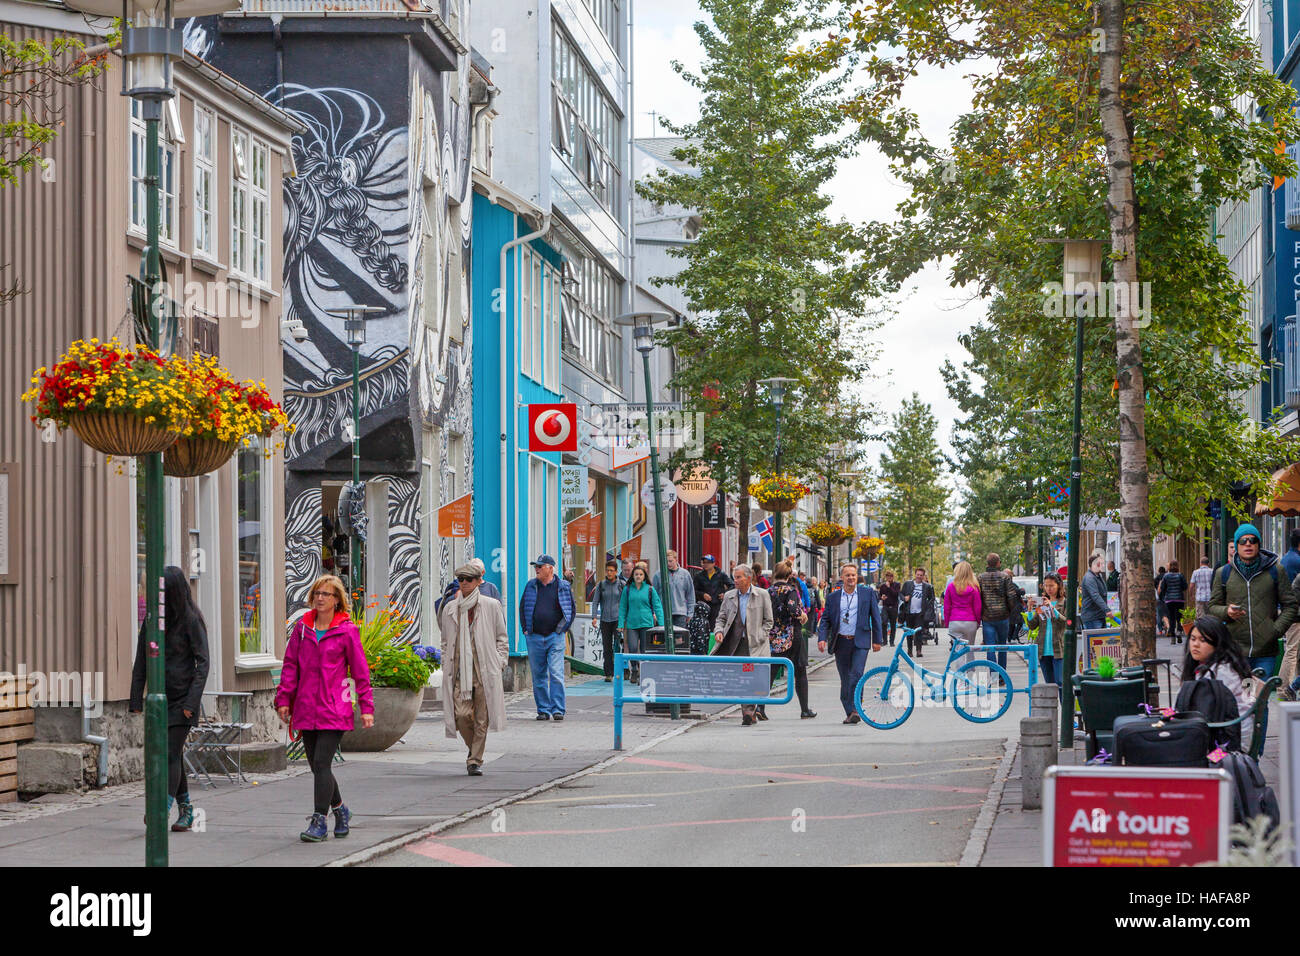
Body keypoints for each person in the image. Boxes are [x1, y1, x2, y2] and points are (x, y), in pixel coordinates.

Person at [276, 574, 374, 842]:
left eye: (326, 594)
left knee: (321, 762)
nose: (320, 598)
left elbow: (360, 671)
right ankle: (341, 810)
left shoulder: (347, 630)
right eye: (317, 593)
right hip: (306, 707)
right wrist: (284, 699)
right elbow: (291, 666)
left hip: (334, 708)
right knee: (318, 766)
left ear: (336, 600)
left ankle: (320, 821)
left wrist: (366, 707)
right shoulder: (302, 629)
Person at [129, 565, 210, 833]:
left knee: (169, 753)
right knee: (170, 754)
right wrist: (136, 699)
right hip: (158, 699)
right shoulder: (152, 620)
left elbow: (203, 663)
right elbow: (141, 660)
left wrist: (191, 703)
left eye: (162, 591)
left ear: (173, 592)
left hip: (182, 701)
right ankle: (186, 809)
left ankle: (159, 809)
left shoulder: (190, 620)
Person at [1209, 524, 1297, 741]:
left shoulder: (1276, 571)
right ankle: (1236, 748)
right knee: (1236, 702)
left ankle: (1254, 753)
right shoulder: (1224, 573)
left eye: (1253, 540)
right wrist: (1226, 612)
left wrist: (1275, 630)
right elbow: (1212, 607)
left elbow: (1291, 605)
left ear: (1258, 544)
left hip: (1264, 652)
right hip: (1235, 652)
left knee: (1257, 703)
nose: (1248, 544)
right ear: (1236, 546)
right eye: (1243, 541)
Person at [438, 562, 509, 775]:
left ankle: (474, 760)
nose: (465, 583)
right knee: (460, 715)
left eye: (469, 579)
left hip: (485, 669)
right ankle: (474, 749)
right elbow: (444, 641)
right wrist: (445, 662)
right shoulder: (450, 608)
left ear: (479, 581)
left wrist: (500, 661)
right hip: (460, 671)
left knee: (481, 718)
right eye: (461, 579)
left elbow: (501, 637)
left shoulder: (490, 605)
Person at [817, 562, 883, 725]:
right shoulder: (833, 597)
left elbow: (876, 617)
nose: (851, 578)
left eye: (853, 575)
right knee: (845, 679)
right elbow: (825, 619)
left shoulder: (867, 593)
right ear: (842, 577)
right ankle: (850, 711)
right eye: (847, 575)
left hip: (860, 641)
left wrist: (877, 640)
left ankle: (855, 710)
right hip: (841, 642)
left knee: (856, 675)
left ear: (857, 576)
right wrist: (822, 638)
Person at [712, 565, 774, 725]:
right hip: (735, 644)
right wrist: (719, 631)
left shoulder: (762, 595)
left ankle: (749, 711)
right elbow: (721, 618)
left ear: (748, 578)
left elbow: (769, 621)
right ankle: (748, 711)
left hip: (755, 645)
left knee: (752, 677)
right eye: (735, 577)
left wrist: (760, 635)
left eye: (739, 577)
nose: (735, 580)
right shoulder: (729, 596)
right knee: (740, 678)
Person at [1182, 616, 1256, 745]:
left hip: (1228, 746)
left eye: (1203, 640)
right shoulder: (1209, 666)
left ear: (1217, 643)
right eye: (1193, 639)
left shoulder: (1222, 672)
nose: (1195, 644)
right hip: (1220, 737)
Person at [519, 554, 575, 721]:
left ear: (550, 568)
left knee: (556, 673)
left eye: (540, 566)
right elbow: (523, 607)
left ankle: (558, 709)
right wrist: (525, 629)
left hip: (554, 636)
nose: (536, 569)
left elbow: (571, 610)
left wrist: (562, 629)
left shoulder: (563, 586)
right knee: (538, 675)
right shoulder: (531, 585)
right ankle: (543, 709)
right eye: (536, 566)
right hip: (534, 636)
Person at [769, 561, 814, 719]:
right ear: (789, 575)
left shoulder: (769, 591)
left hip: (774, 635)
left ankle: (759, 708)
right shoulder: (791, 590)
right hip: (792, 634)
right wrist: (802, 615)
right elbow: (793, 609)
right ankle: (805, 709)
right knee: (800, 671)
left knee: (771, 672)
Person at [618, 565, 663, 684]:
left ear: (644, 576)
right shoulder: (627, 589)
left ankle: (643, 672)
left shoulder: (650, 589)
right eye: (636, 574)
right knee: (632, 648)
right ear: (633, 576)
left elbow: (658, 607)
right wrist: (621, 623)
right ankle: (634, 669)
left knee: (645, 650)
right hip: (632, 624)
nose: (638, 576)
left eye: (641, 574)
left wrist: (662, 624)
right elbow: (622, 607)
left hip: (647, 623)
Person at [1028, 573, 1066, 698]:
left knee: (1060, 683)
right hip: (1043, 650)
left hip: (1059, 648)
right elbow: (1033, 625)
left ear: (1059, 586)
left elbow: (1067, 622)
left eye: (1052, 585)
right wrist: (1030, 610)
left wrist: (1052, 609)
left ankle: (1065, 714)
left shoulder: (1064, 602)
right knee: (1049, 685)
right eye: (1046, 586)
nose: (1049, 588)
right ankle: (1052, 713)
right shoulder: (1042, 604)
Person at [977, 553, 1016, 669]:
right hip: (1003, 616)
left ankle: (993, 675)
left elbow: (978, 597)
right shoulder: (1005, 577)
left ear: (987, 563)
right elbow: (1011, 597)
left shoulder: (980, 577)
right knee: (1002, 646)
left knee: (990, 647)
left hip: (987, 617)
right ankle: (1002, 675)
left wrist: (981, 613)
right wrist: (1009, 611)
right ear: (998, 563)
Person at [942, 561, 982, 665]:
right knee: (969, 649)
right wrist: (978, 622)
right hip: (970, 621)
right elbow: (977, 607)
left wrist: (947, 622)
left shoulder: (951, 587)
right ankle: (970, 674)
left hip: (955, 621)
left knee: (958, 651)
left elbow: (947, 607)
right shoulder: (974, 588)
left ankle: (960, 675)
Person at [590, 559, 624, 682]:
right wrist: (594, 617)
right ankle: (608, 673)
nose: (609, 573)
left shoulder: (621, 585)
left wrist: (623, 619)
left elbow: (625, 602)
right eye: (607, 570)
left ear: (616, 571)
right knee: (607, 647)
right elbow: (595, 601)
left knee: (617, 646)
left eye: (611, 570)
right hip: (605, 620)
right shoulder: (601, 585)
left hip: (617, 619)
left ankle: (619, 671)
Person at [435, 558, 500, 614]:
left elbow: (498, 613)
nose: (473, 574)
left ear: (483, 572)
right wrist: (456, 595)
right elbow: (445, 605)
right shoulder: (459, 584)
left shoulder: (491, 588)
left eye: (476, 572)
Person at [653, 549, 696, 632]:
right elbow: (654, 595)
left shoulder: (685, 574)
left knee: (679, 639)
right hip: (663, 612)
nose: (668, 564)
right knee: (663, 638)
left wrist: (690, 612)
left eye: (670, 561)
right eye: (666, 561)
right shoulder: (658, 575)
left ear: (676, 560)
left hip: (680, 612)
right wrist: (654, 612)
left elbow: (690, 594)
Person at [899, 567, 936, 658]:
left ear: (924, 576)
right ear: (915, 575)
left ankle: (919, 651)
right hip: (909, 612)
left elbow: (932, 598)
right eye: (918, 575)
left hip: (920, 613)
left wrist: (927, 607)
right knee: (909, 632)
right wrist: (904, 598)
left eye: (921, 575)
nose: (919, 576)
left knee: (919, 632)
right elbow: (900, 594)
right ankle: (909, 650)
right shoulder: (908, 584)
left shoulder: (927, 586)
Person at [692, 553, 733, 630]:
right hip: (703, 606)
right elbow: (693, 590)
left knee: (715, 626)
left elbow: (732, 585)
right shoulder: (698, 576)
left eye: (708, 562)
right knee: (703, 628)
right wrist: (702, 594)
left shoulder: (721, 574)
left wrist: (725, 594)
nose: (706, 564)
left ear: (713, 563)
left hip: (717, 605)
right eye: (704, 562)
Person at [1080, 550, 1110, 631]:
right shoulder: (1089, 578)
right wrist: (1107, 610)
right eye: (1101, 563)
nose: (1103, 565)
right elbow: (1095, 595)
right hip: (1092, 617)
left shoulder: (1098, 576)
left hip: (1099, 615)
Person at [1159, 559, 1188, 644]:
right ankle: (1179, 632)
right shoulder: (1180, 575)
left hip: (1169, 600)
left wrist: (1165, 596)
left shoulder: (1166, 576)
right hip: (1179, 599)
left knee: (1171, 618)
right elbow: (1185, 586)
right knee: (1179, 617)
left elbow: (1163, 587)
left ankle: (1173, 637)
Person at [879, 569, 901, 646]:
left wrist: (889, 587)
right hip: (885, 606)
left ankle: (892, 642)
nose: (889, 579)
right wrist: (882, 597)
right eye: (887, 577)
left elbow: (896, 594)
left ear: (892, 577)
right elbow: (880, 595)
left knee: (893, 625)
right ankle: (884, 641)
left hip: (894, 607)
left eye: (890, 577)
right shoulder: (883, 586)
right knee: (883, 622)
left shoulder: (897, 585)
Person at [1004, 569, 1026, 644]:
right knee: (1018, 622)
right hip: (1014, 607)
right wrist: (1022, 590)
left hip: (1011, 607)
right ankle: (1013, 638)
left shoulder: (1007, 584)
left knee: (1012, 624)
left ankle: (1011, 638)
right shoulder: (1010, 584)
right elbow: (1020, 592)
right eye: (1011, 574)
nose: (1012, 576)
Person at [1190, 555, 1214, 619]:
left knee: (1200, 617)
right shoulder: (1212, 571)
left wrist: (1191, 595)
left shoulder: (1195, 572)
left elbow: (1191, 585)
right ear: (1208, 563)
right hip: (1210, 597)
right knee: (1210, 616)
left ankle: (1202, 629)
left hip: (1200, 597)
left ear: (1200, 563)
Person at [1153, 566, 1169, 636]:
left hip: (1159, 598)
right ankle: (1167, 626)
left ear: (1159, 571)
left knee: (1159, 615)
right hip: (1168, 597)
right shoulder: (1167, 577)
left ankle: (1160, 630)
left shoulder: (1156, 579)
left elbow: (1157, 590)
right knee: (1167, 614)